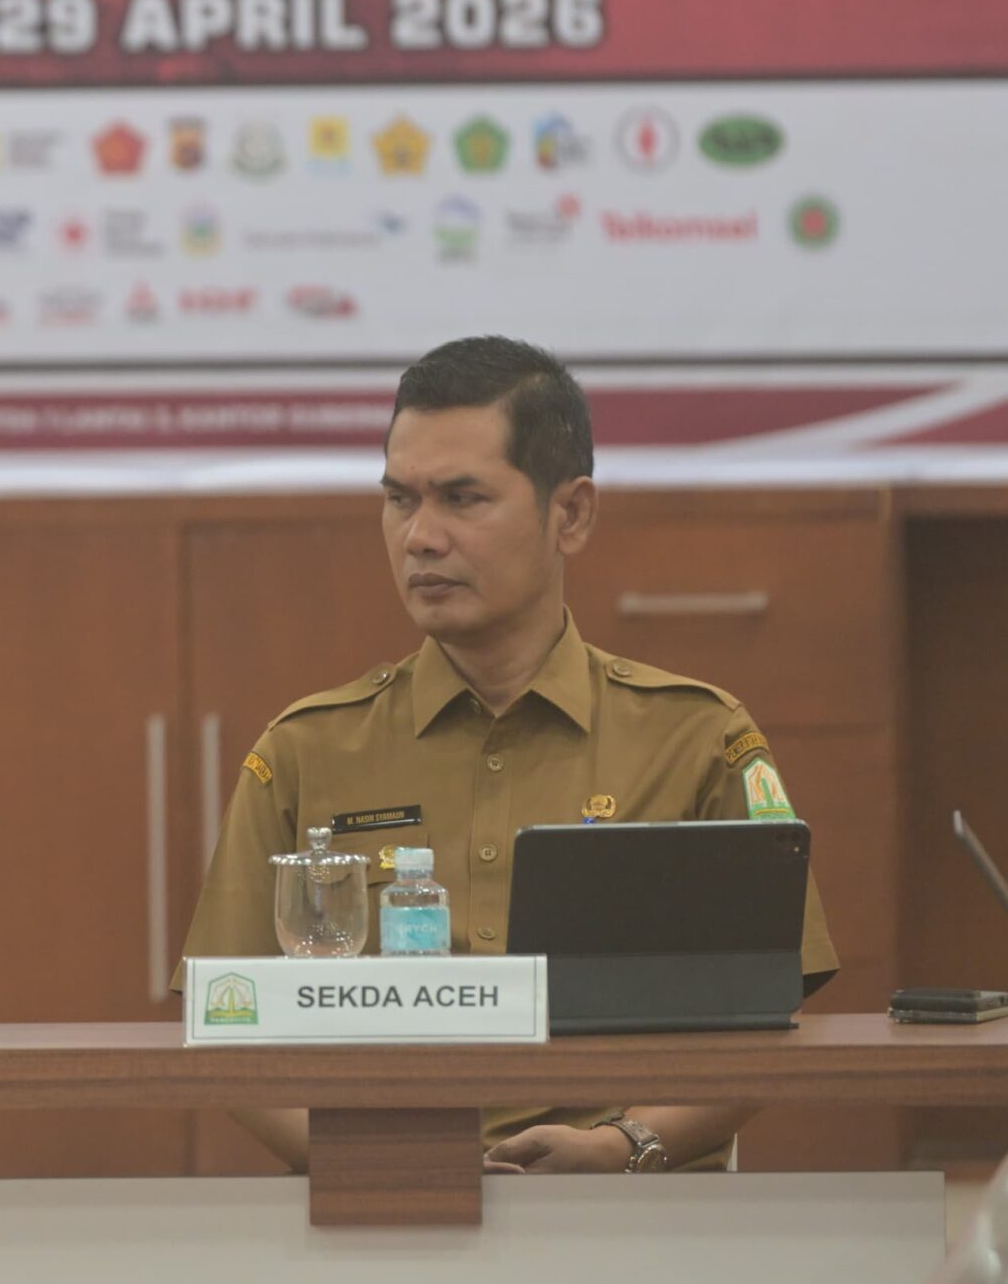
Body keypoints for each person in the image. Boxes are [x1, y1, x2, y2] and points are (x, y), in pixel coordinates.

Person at [178, 336, 837, 1174]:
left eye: (462, 498)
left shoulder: (696, 739)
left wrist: (623, 1145)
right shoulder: (306, 751)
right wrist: (385, 1160)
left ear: (572, 514)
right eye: (399, 499)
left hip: (634, 1212)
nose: (420, 537)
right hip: (385, 1211)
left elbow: (769, 1012)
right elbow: (224, 1022)